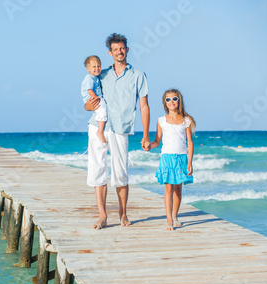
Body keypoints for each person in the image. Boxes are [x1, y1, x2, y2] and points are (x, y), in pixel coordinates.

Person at [84, 33, 150, 229]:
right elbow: (88, 104)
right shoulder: (101, 75)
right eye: (115, 49)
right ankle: (102, 216)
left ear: (127, 50)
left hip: (121, 127)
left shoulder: (138, 75)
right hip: (98, 126)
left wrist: (146, 134)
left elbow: (144, 106)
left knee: (120, 171)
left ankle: (123, 213)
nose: (119, 52)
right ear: (110, 52)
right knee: (98, 169)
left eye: (122, 48)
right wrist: (88, 107)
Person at [149, 89, 196, 231]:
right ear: (164, 103)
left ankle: (175, 216)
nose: (171, 102)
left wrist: (190, 161)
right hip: (167, 157)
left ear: (179, 101)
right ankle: (169, 219)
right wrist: (149, 146)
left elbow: (190, 142)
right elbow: (157, 141)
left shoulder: (186, 120)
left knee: (178, 189)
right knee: (168, 188)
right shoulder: (161, 121)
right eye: (168, 99)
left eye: (174, 99)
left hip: (181, 157)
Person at [81, 55, 107, 143]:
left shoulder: (95, 77)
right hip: (93, 98)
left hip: (96, 98)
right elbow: (89, 90)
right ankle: (99, 131)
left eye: (99, 66)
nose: (97, 68)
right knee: (102, 111)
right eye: (94, 67)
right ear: (88, 69)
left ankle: (100, 128)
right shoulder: (89, 78)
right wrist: (95, 97)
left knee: (101, 111)